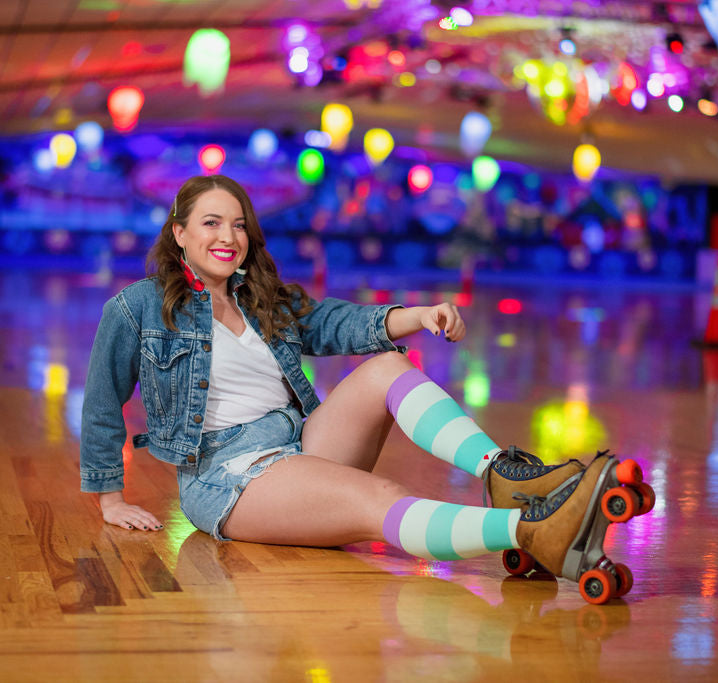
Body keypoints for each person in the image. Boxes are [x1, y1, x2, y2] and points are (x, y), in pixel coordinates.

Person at [80, 175, 650, 597]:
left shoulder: (260, 298)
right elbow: (104, 398)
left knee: (386, 367)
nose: (228, 236)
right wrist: (110, 498)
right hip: (228, 477)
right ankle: (532, 530)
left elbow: (337, 324)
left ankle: (502, 475)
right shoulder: (137, 309)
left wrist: (420, 314)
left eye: (238, 225)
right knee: (381, 498)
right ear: (179, 232)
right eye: (211, 223)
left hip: (299, 444)